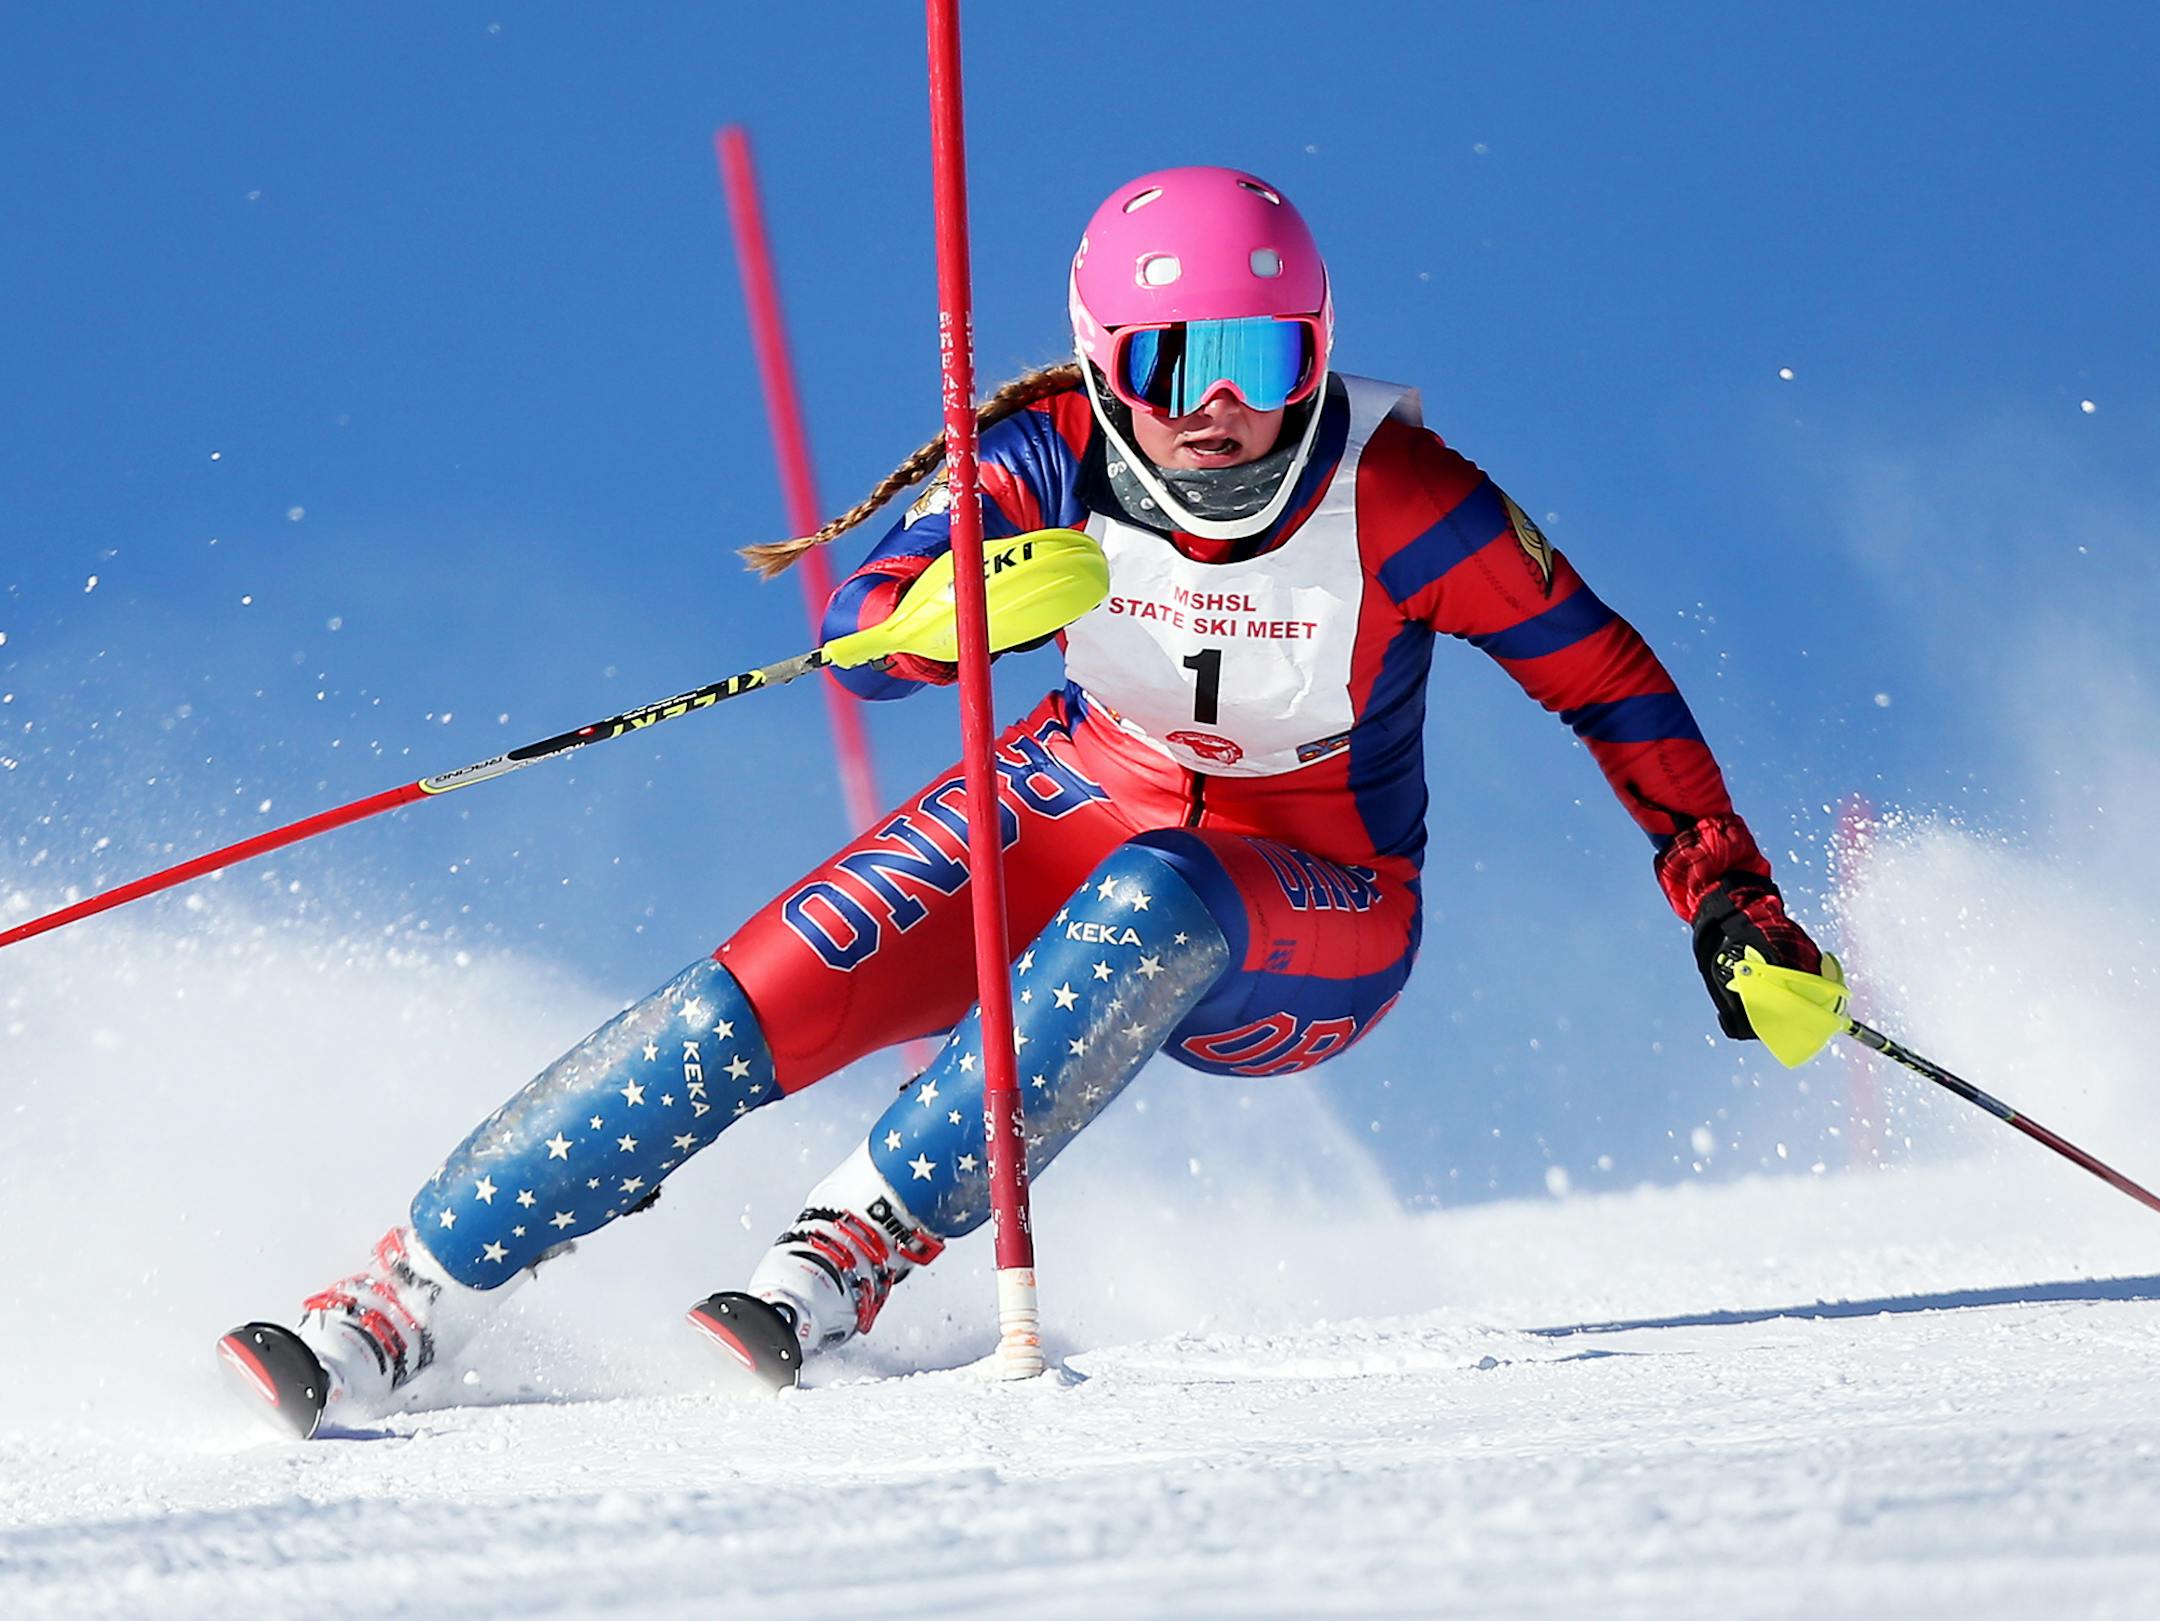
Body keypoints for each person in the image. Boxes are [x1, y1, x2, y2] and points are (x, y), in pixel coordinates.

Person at [217, 165, 1821, 1434]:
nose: (1222, 408)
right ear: (1105, 360)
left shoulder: (1402, 496)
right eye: (1173, 361)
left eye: (1267, 362)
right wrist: (954, 602)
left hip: (1311, 898)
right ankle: (407, 1294)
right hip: (1063, 790)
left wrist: (1728, 898)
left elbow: (1610, 680)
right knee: (750, 998)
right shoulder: (1049, 453)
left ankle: (856, 1241)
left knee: (1158, 899)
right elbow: (868, 631)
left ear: (1319, 356)